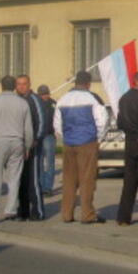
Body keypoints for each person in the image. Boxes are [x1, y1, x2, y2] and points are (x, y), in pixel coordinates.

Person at [54, 69, 109, 224]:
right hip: (87, 142)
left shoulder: (63, 99)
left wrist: (66, 137)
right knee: (87, 179)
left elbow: (57, 124)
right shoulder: (91, 99)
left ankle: (67, 213)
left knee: (69, 179)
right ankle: (87, 214)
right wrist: (98, 137)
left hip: (69, 143)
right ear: (88, 84)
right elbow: (102, 120)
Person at [0, 75, 34, 226]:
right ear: (14, 86)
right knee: (14, 178)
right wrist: (27, 146)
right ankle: (11, 210)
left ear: (1, 86)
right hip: (17, 142)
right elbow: (28, 129)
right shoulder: (23, 103)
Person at [117, 71, 138, 226]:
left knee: (129, 181)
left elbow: (119, 122)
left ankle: (123, 217)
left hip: (129, 142)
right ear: (137, 81)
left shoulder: (123, 99)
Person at [15, 74, 46, 221]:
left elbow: (42, 121)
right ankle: (23, 211)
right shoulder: (15, 100)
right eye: (19, 84)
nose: (21, 86)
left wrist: (35, 140)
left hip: (32, 146)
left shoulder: (35, 100)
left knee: (33, 180)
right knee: (20, 179)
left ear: (29, 84)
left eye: (24, 84)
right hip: (17, 146)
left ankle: (38, 211)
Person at [36, 84, 57, 195]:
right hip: (39, 136)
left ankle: (48, 187)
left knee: (49, 163)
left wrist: (56, 130)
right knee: (39, 163)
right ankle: (40, 186)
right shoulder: (36, 105)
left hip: (49, 135)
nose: (45, 96)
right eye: (42, 94)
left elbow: (58, 118)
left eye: (46, 94)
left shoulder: (53, 104)